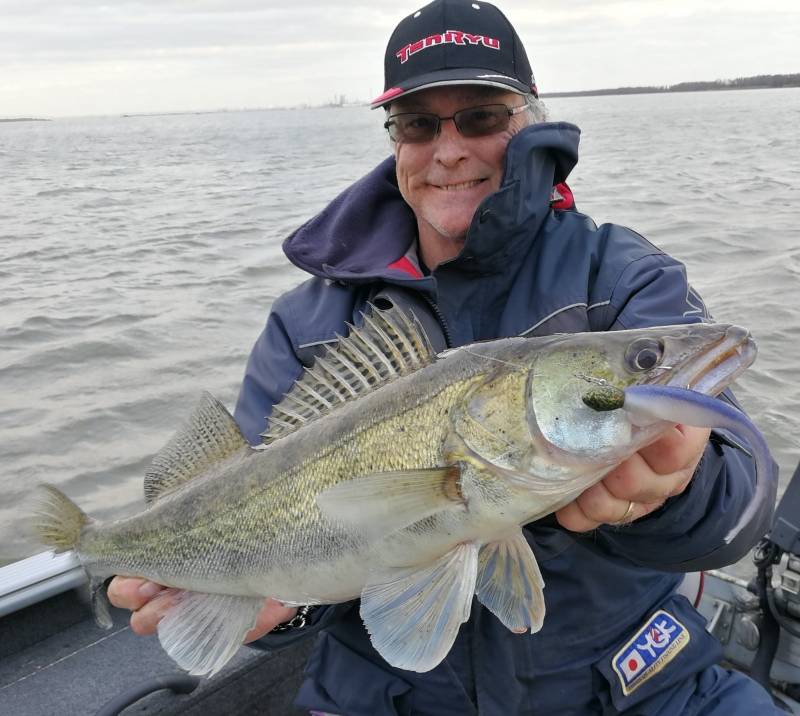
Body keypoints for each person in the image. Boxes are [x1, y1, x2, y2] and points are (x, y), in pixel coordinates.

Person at [108, 1, 782, 713]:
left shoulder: (620, 278)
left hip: (630, 682)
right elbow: (281, 537)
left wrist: (677, 490)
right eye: (419, 124)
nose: (449, 149)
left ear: (528, 121)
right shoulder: (306, 323)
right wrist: (289, 604)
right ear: (394, 139)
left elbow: (742, 505)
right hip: (380, 696)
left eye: (481, 118)